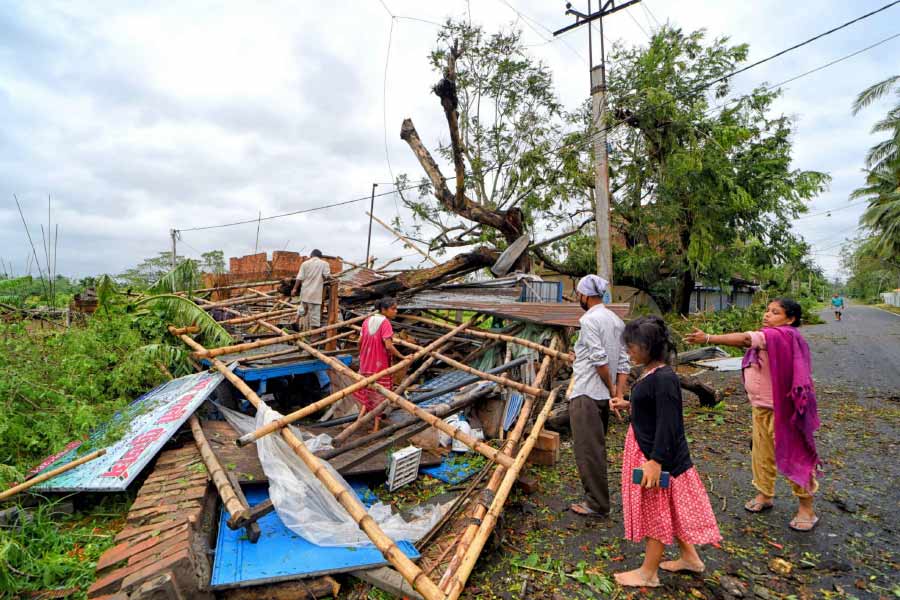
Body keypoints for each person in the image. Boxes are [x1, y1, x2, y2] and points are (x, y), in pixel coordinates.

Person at [684, 298, 821, 532]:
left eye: (775, 312)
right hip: (761, 408)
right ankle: (764, 494)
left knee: (795, 457)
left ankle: (806, 508)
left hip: (784, 411)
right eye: (767, 311)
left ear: (790, 319)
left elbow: (746, 339)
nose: (767, 315)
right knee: (761, 454)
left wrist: (708, 338)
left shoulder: (782, 336)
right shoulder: (770, 338)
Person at [610, 316, 721, 588]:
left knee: (656, 510)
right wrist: (630, 406)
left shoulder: (664, 378)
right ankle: (690, 558)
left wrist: (655, 461)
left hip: (658, 457)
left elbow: (669, 423)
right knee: (668, 507)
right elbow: (656, 410)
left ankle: (648, 573)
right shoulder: (652, 372)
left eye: (632, 346)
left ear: (648, 346)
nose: (629, 350)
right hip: (651, 451)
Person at [568, 275, 631, 518]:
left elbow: (599, 360)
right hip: (602, 396)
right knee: (597, 447)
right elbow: (623, 361)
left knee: (588, 450)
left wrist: (609, 388)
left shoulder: (589, 320)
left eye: (578, 294)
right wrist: (617, 392)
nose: (578, 299)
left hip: (586, 393)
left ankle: (597, 504)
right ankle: (598, 499)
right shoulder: (616, 320)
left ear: (585, 295)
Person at [354, 297, 404, 415]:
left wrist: (361, 355)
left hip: (366, 363)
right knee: (378, 396)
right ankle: (376, 426)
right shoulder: (385, 323)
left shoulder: (367, 320)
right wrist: (402, 356)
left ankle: (361, 419)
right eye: (393, 309)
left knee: (367, 391)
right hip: (379, 364)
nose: (396, 311)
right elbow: (388, 346)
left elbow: (359, 342)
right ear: (384, 310)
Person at [291, 249, 331, 331]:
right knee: (315, 315)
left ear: (311, 255)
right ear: (320, 257)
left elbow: (299, 277)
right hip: (315, 293)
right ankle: (314, 336)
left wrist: (294, 289)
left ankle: (296, 320)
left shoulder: (305, 264)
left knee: (303, 307)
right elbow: (327, 276)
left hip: (305, 291)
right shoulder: (324, 264)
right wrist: (334, 279)